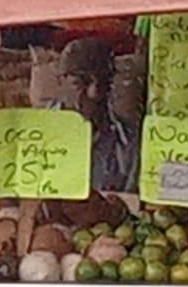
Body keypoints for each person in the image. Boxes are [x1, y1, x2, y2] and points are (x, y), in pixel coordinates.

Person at [54, 37, 140, 192]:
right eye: (83, 81)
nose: (94, 93)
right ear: (60, 81)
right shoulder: (32, 134)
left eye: (104, 81)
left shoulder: (129, 140)